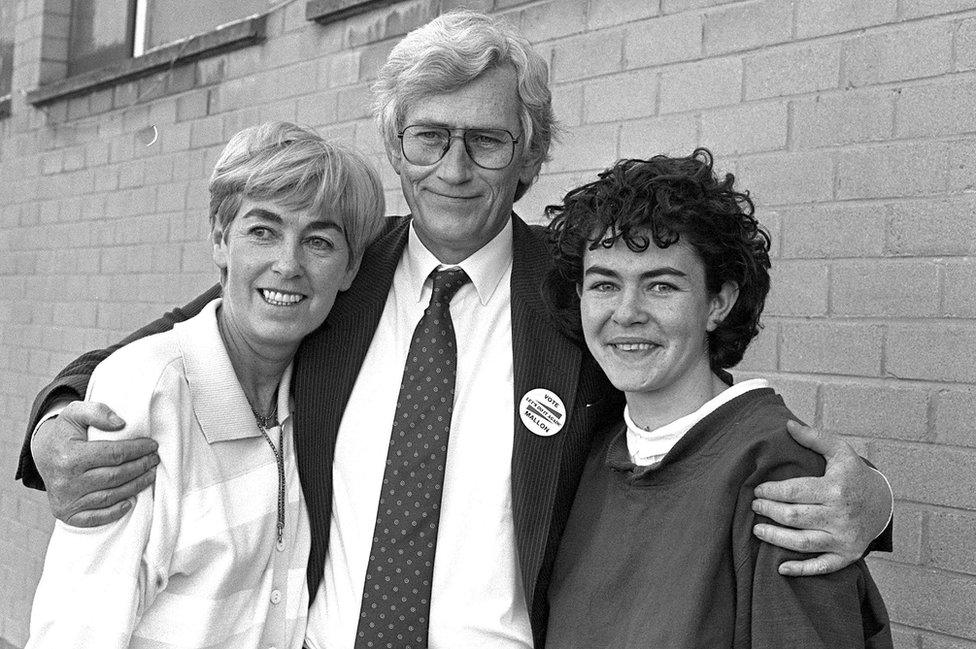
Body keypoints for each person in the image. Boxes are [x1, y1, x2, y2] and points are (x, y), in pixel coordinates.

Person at [17, 10, 893, 648]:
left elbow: (683, 406)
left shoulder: (576, 290)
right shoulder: (337, 271)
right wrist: (55, 421)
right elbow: (189, 334)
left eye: (487, 140)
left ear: (530, 152)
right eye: (429, 138)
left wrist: (872, 503)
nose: (456, 170)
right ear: (394, 146)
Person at [25, 121, 386, 648]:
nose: (288, 264)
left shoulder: (315, 391)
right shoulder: (149, 393)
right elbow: (78, 632)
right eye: (263, 231)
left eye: (319, 242)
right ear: (220, 238)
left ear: (351, 267)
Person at [543, 150, 892, 648]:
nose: (626, 313)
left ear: (718, 303)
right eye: (604, 284)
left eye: (661, 285)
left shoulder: (777, 472)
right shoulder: (596, 455)